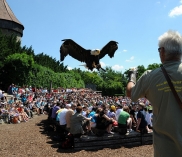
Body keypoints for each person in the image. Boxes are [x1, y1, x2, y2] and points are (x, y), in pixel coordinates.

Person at [126, 30, 182, 157]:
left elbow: (131, 93)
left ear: (162, 51)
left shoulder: (149, 77)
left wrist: (132, 75)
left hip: (166, 150)